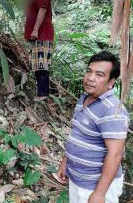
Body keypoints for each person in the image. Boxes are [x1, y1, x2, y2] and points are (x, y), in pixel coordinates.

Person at [57, 51, 129, 203]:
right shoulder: (84, 98)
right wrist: (66, 161)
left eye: (99, 74)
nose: (90, 78)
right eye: (89, 71)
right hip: (78, 180)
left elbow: (116, 154)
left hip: (95, 186)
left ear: (111, 82)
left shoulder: (113, 110)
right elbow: (78, 134)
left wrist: (99, 194)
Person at [24, 0, 54, 101]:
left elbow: (42, 9)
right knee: (37, 63)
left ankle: (43, 93)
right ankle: (41, 93)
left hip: (42, 33)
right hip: (38, 34)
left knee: (42, 63)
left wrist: (35, 29)